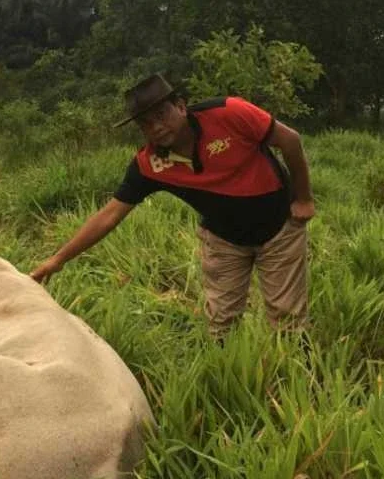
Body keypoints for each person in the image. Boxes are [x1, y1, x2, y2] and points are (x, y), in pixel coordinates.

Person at [30, 73, 315, 339]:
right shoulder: (150, 164)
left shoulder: (229, 113)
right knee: (221, 324)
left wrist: (303, 199)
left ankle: (298, 378)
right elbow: (110, 215)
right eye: (146, 123)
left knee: (287, 320)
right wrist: (58, 260)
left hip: (279, 229)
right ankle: (228, 375)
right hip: (223, 240)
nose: (156, 127)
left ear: (181, 106)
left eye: (161, 114)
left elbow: (290, 140)